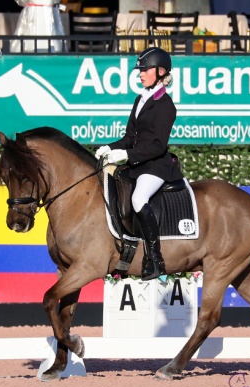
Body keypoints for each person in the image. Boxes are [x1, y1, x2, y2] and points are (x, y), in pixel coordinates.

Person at [95, 47, 183, 281]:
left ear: (161, 71)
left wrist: (126, 155)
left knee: (138, 199)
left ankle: (155, 259)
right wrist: (110, 148)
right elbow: (129, 137)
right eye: (140, 70)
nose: (140, 74)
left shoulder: (166, 106)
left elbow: (156, 146)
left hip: (155, 166)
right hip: (137, 163)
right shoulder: (140, 99)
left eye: (145, 69)